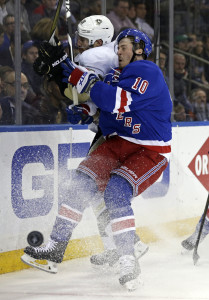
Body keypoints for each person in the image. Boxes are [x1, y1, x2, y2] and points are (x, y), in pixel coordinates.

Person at [21, 28, 172, 291]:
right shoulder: (117, 74)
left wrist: (71, 69)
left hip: (149, 150)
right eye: (118, 46)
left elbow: (118, 101)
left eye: (124, 46)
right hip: (118, 143)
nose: (119, 51)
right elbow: (100, 101)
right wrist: (84, 107)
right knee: (79, 183)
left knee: (115, 192)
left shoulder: (148, 71)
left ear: (139, 49)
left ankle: (128, 258)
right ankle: (56, 245)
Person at [34, 15, 149, 270]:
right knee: (97, 192)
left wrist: (59, 70)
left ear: (99, 40)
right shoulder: (109, 54)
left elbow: (86, 88)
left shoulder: (95, 56)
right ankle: (120, 247)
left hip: (116, 135)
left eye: (84, 39)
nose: (80, 43)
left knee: (87, 187)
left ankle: (126, 247)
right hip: (116, 131)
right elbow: (94, 97)